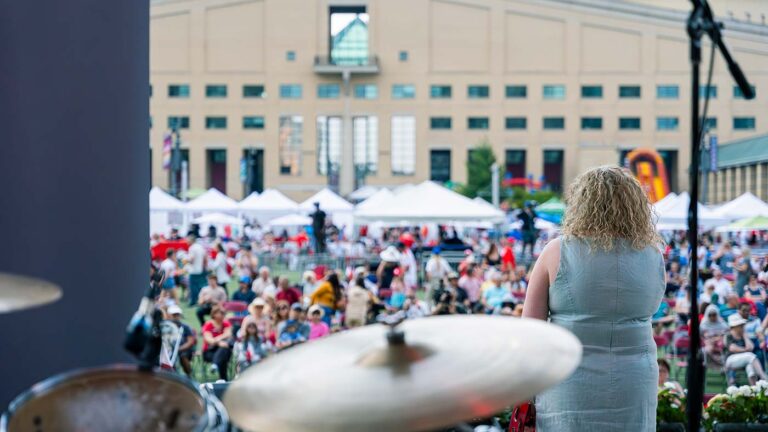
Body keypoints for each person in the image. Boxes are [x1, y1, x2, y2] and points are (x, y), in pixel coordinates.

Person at [523, 166, 665, 431]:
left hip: (568, 382)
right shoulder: (653, 255)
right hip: (634, 382)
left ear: (581, 203)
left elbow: (530, 330)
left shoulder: (557, 251)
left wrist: (524, 395)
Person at [724, 313, 768, 385]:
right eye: (740, 325)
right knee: (750, 356)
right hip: (730, 360)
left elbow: (751, 347)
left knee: (750, 366)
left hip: (744, 359)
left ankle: (753, 388)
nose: (742, 326)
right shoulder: (728, 335)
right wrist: (745, 350)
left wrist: (745, 336)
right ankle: (763, 376)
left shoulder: (743, 335)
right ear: (735, 326)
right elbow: (732, 348)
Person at [201, 305, 233, 381]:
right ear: (214, 314)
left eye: (223, 313)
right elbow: (209, 340)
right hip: (209, 352)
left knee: (224, 349)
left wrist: (217, 340)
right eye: (220, 313)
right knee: (224, 353)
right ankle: (224, 379)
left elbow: (228, 334)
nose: (222, 315)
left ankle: (215, 365)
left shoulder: (226, 323)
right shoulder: (208, 325)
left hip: (223, 351)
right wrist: (219, 343)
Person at [168, 304, 196, 376]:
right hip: (169, 350)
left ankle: (188, 374)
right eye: (174, 315)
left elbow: (190, 341)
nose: (176, 317)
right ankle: (171, 374)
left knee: (182, 355)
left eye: (177, 315)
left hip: (184, 349)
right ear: (169, 315)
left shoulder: (185, 327)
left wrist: (179, 349)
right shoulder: (166, 327)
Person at [187, 233, 208, 306]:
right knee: (202, 286)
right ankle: (202, 300)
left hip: (193, 270)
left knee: (193, 287)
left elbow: (191, 259)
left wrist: (186, 260)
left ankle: (193, 301)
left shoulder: (192, 248)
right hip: (201, 269)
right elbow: (205, 258)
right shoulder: (200, 247)